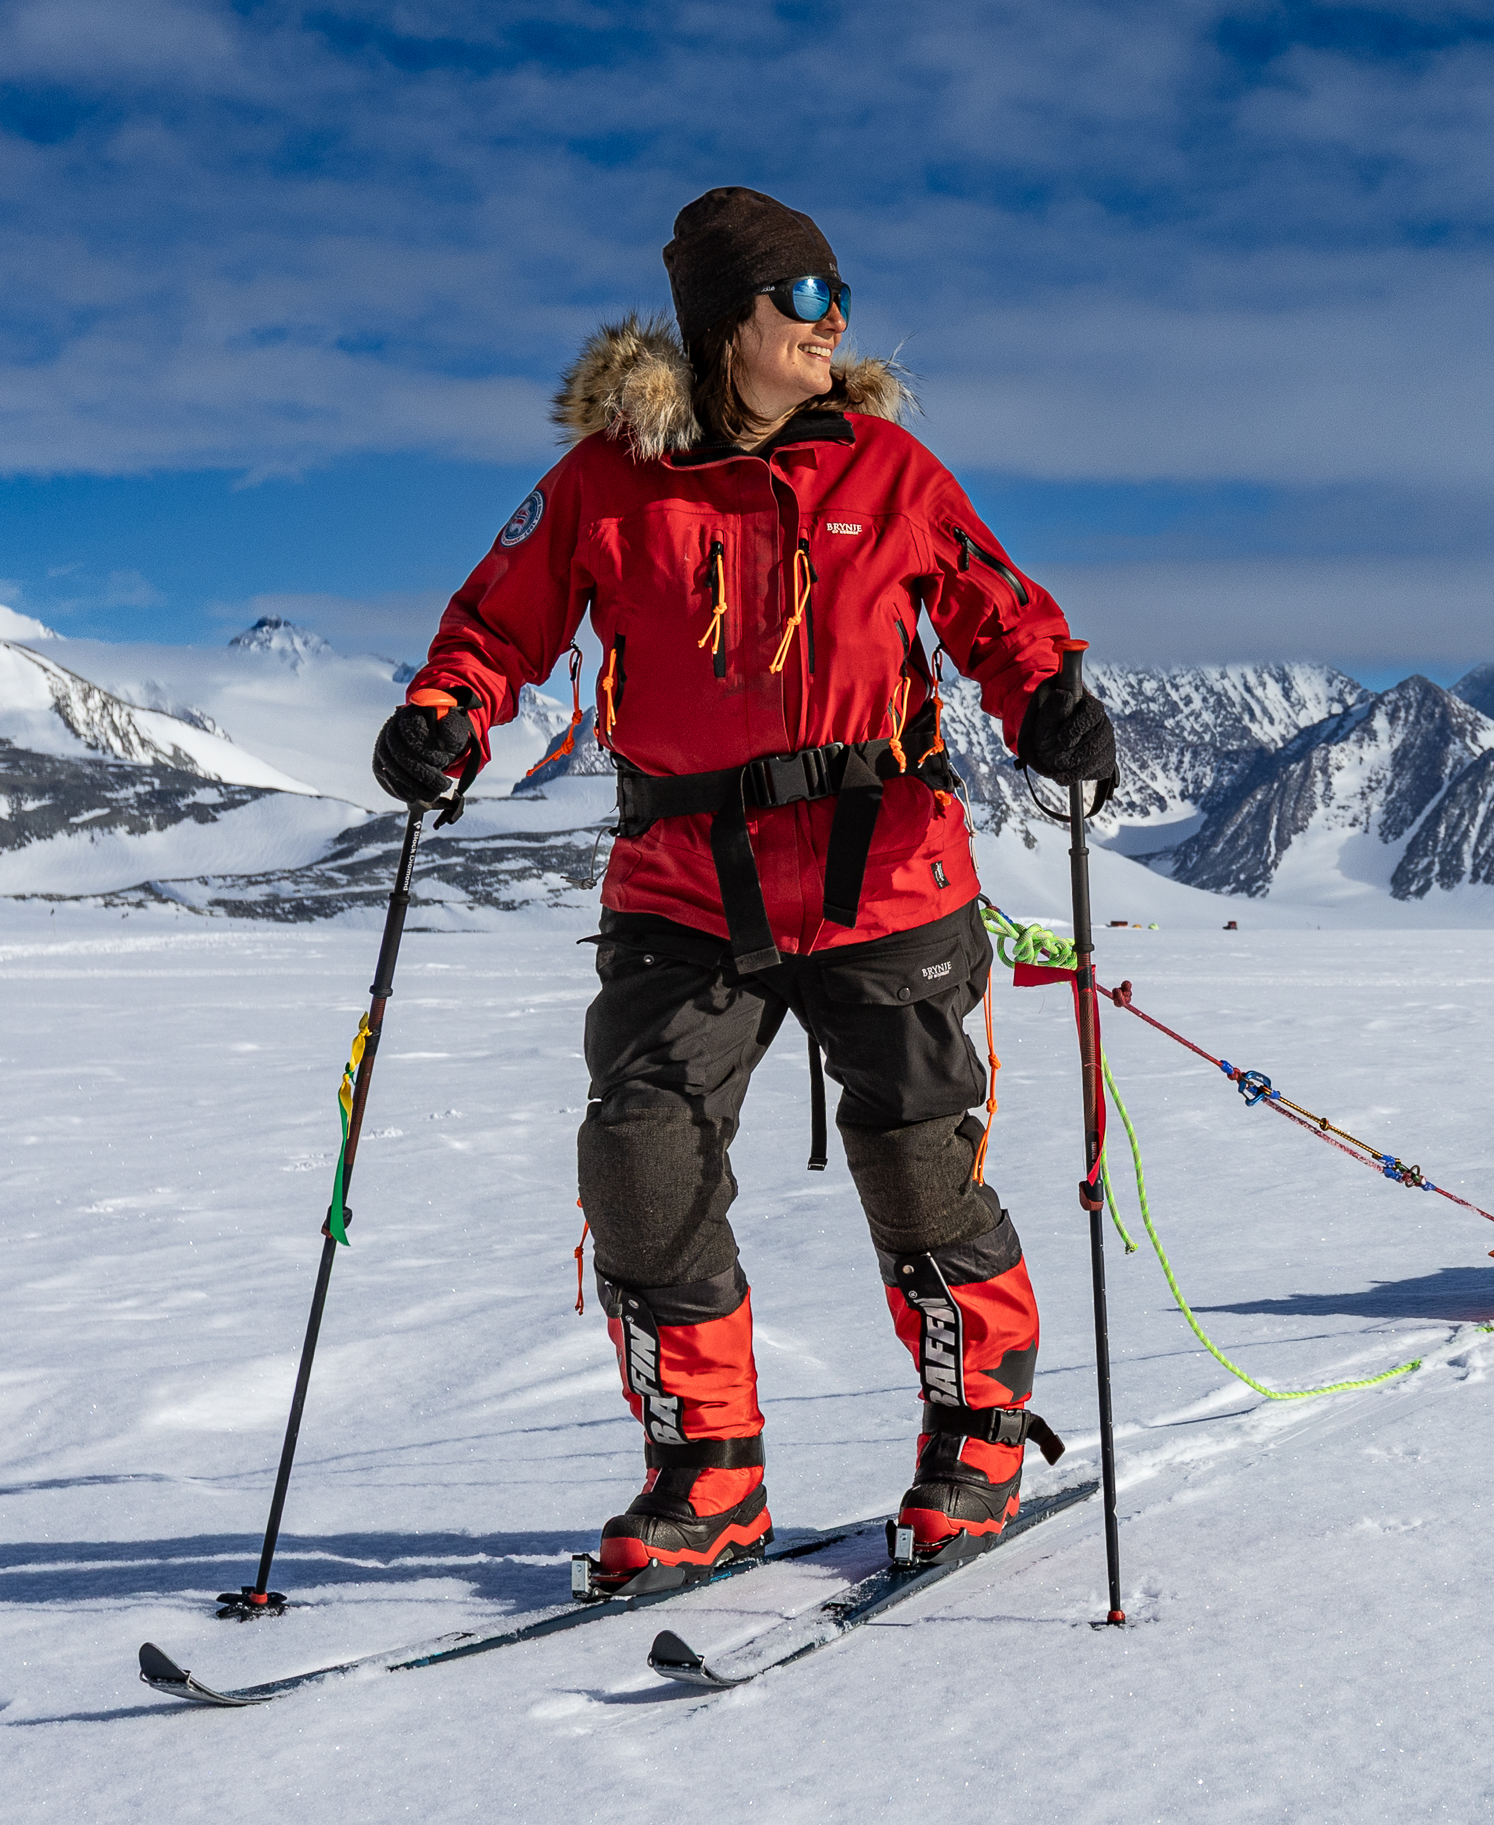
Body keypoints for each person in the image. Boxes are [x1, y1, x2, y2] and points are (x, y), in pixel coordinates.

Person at [370, 187, 1118, 1594]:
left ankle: (977, 1427)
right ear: (732, 326)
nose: (835, 323)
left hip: (885, 872)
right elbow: (498, 622)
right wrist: (446, 711)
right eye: (809, 299)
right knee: (640, 1163)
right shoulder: (606, 482)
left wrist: (1049, 701)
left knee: (915, 1161)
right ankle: (704, 1470)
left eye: (840, 299)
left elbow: (996, 610)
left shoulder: (888, 471)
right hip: (682, 882)